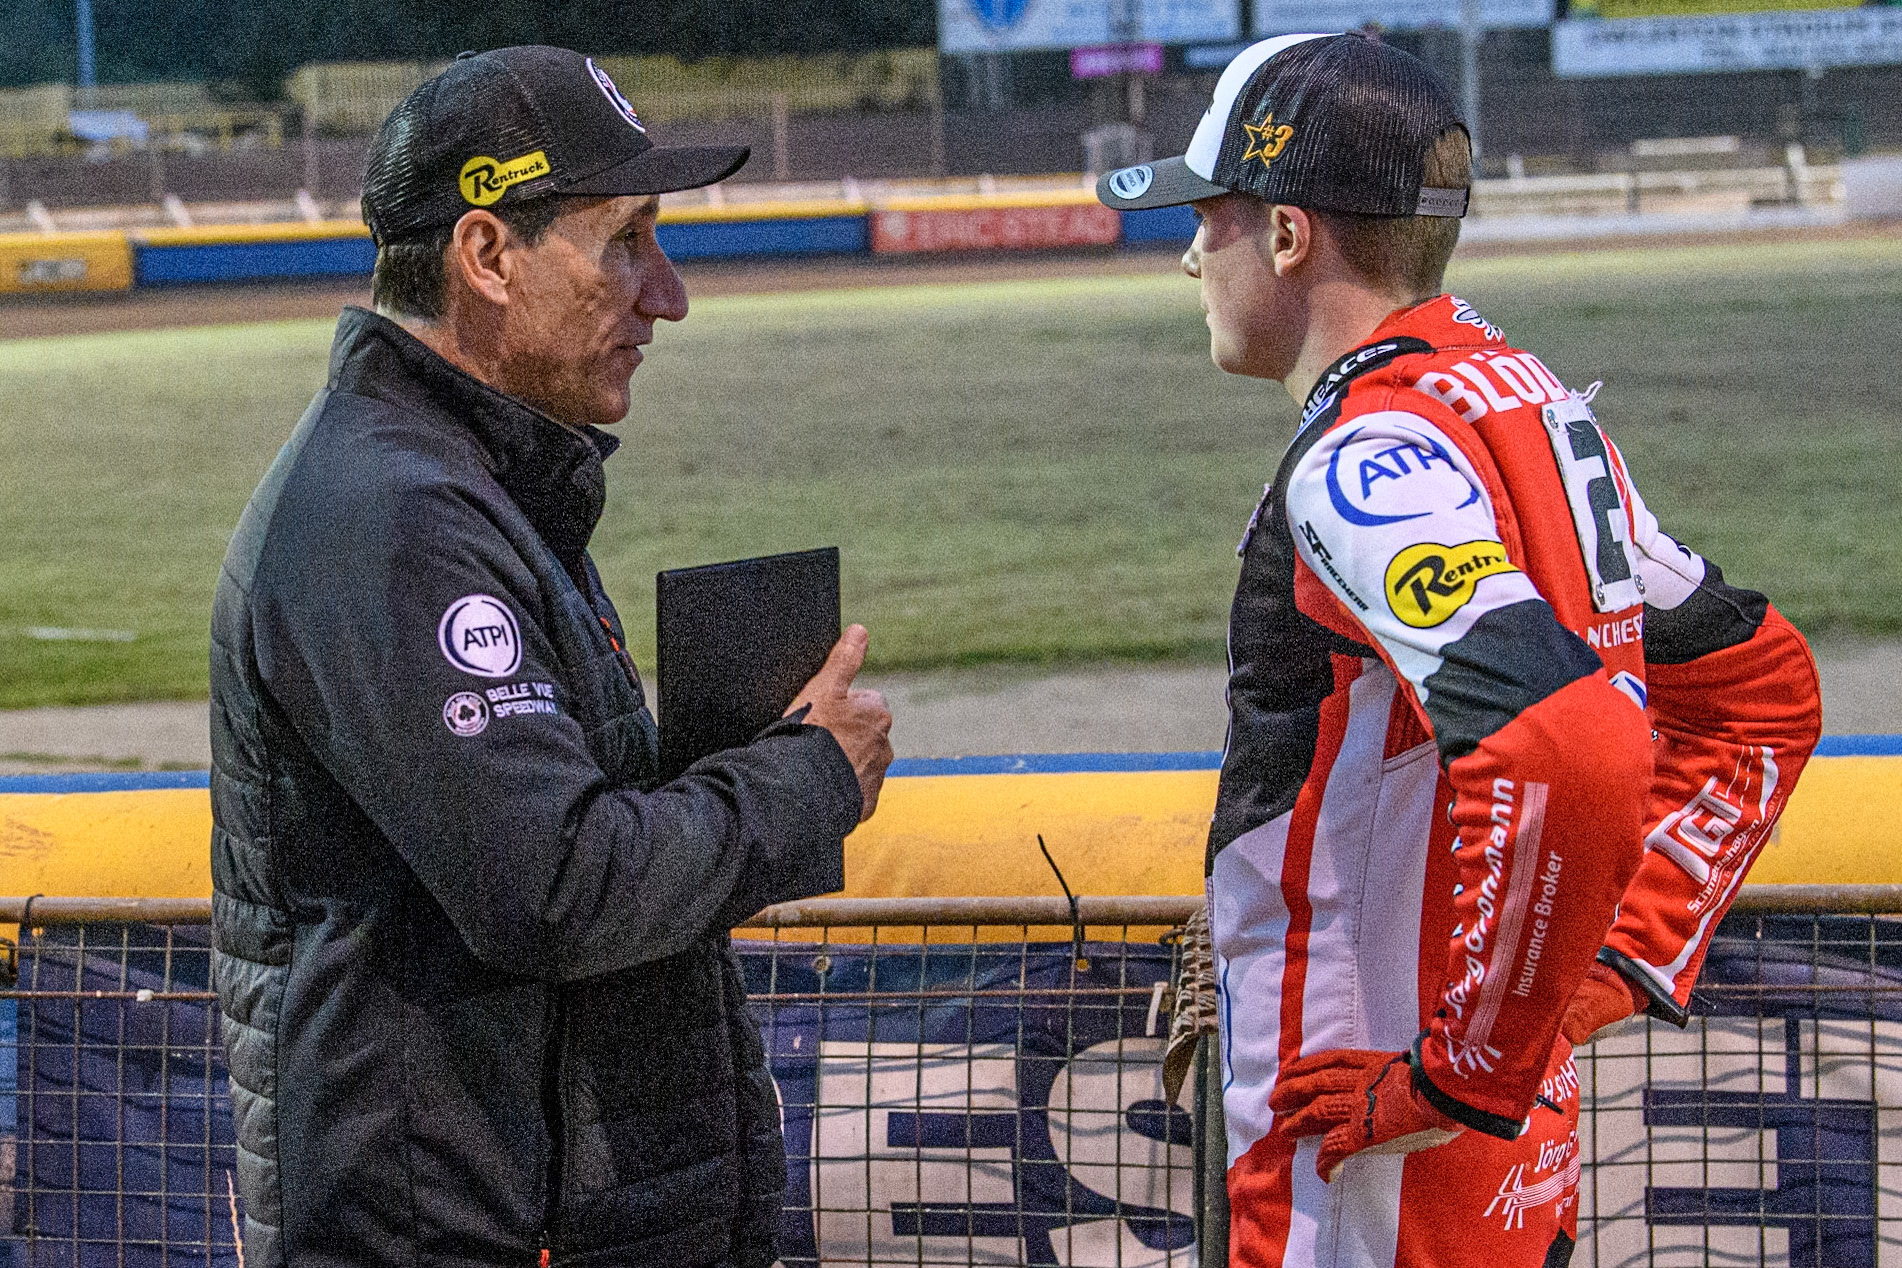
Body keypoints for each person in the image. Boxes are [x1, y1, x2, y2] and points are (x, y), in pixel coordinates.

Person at [1098, 33, 1821, 1268]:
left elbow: (1572, 742)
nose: (1189, 254)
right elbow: (1764, 694)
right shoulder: (1524, 401)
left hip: (1363, 1158)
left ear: (1286, 235)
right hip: (1498, 1156)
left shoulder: (1363, 457)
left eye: (1209, 217)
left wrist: (1464, 1070)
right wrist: (1584, 981)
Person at [208, 46, 893, 1268]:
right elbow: (554, 887)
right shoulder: (397, 516)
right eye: (624, 240)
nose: (666, 296)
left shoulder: (472, 483)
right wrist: (807, 777)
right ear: (487, 256)